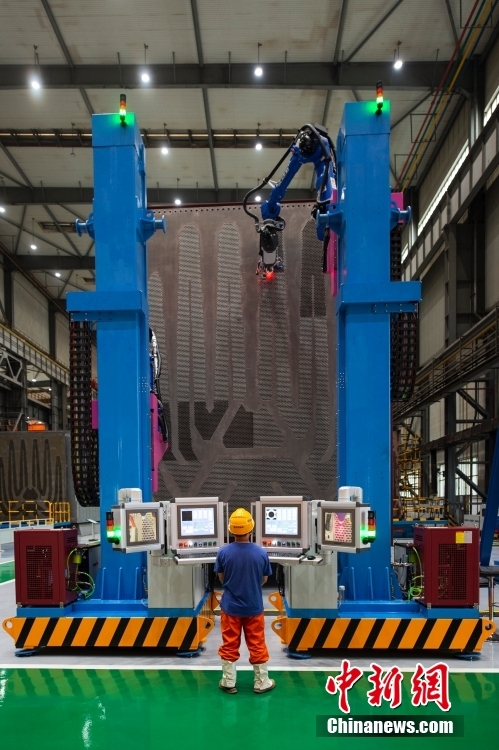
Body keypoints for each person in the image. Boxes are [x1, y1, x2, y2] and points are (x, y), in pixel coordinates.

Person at [214, 507, 275, 694]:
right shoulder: (261, 553)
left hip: (230, 607)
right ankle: (261, 682)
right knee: (257, 643)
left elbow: (221, 578)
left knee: (229, 643)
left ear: (231, 530)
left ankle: (228, 681)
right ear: (251, 529)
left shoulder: (223, 552)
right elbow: (264, 579)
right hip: (253, 606)